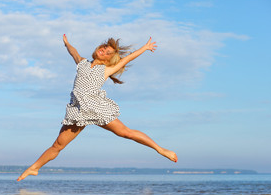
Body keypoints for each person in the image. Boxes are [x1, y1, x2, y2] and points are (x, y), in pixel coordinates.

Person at [17, 35, 177, 181]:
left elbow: (126, 59)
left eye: (108, 52)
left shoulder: (106, 70)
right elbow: (74, 52)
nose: (103, 50)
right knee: (58, 145)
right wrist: (67, 44)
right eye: (104, 48)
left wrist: (145, 47)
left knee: (125, 132)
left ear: (109, 60)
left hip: (96, 108)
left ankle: (160, 149)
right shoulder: (82, 63)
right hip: (78, 111)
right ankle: (35, 168)